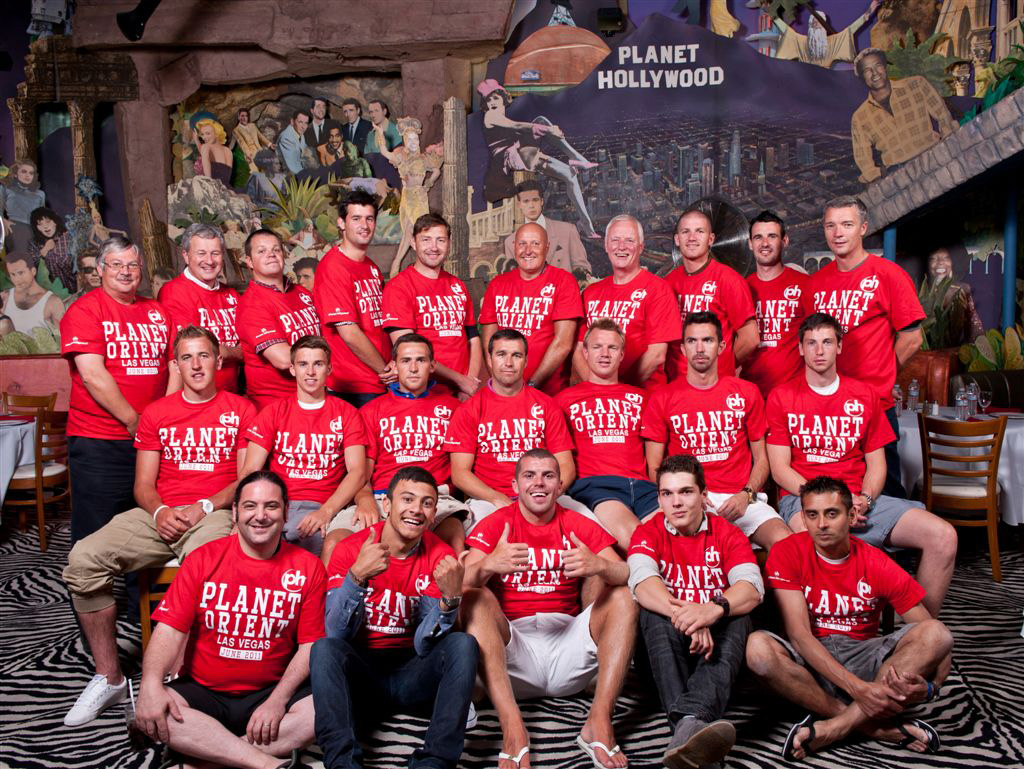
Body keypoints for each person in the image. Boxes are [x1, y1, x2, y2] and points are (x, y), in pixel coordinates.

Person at [62, 326, 255, 726]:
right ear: (176, 365)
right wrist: (160, 512)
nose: (196, 365)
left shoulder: (241, 409)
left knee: (206, 568)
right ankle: (110, 678)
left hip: (213, 511)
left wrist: (205, 506)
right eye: (187, 357)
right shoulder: (156, 413)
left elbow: (245, 480)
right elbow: (143, 485)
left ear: (219, 361)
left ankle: (182, 677)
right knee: (83, 559)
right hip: (161, 513)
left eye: (204, 356)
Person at [745, 476, 953, 760]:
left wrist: (929, 689)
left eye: (832, 514)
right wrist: (859, 690)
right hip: (809, 661)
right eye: (812, 515)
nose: (821, 524)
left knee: (937, 633)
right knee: (757, 649)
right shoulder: (787, 550)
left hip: (864, 659)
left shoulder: (876, 562)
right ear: (803, 518)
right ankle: (870, 726)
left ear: (852, 515)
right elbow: (799, 635)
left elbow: (935, 638)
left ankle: (835, 727)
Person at [766, 312, 957, 616]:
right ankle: (820, 631)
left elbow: (877, 465)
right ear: (800, 348)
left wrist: (864, 501)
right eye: (811, 343)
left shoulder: (865, 395)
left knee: (943, 535)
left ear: (839, 346)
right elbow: (779, 470)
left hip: (860, 501)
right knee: (809, 538)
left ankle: (922, 632)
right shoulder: (781, 396)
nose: (819, 350)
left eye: (827, 342)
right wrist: (833, 504)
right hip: (804, 500)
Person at [134, 471, 325, 769]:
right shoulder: (202, 559)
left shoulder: (308, 567)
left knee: (323, 710)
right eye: (250, 506)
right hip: (203, 689)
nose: (260, 516)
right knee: (160, 709)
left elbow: (309, 645)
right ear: (235, 512)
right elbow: (169, 630)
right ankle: (267, 764)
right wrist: (149, 684)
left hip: (270, 689)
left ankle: (208, 755)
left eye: (271, 506)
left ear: (286, 511)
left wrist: (277, 701)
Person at [461, 449, 637, 769]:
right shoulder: (496, 523)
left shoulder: (576, 522)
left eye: (548, 476)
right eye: (529, 475)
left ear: (559, 486)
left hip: (567, 644)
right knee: (474, 596)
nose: (539, 483)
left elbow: (627, 573)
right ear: (515, 485)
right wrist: (488, 564)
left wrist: (599, 565)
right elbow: (459, 583)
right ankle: (513, 729)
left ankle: (598, 722)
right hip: (514, 654)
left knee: (622, 595)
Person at [312, 466, 479, 769]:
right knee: (323, 649)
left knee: (463, 643)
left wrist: (450, 600)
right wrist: (356, 578)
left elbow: (424, 644)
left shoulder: (440, 556)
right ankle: (343, 764)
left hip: (412, 673)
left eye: (427, 503)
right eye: (407, 499)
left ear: (433, 513)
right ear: (387, 505)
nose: (416, 510)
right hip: (363, 674)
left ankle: (434, 763)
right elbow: (335, 634)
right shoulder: (351, 549)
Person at [628, 454, 763, 769]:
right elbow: (642, 584)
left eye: (686, 492)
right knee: (652, 612)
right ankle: (696, 721)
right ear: (659, 499)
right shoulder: (647, 532)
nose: (676, 502)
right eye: (667, 493)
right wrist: (692, 617)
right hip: (664, 657)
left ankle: (686, 726)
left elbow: (751, 587)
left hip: (715, 656)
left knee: (738, 615)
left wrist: (711, 611)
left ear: (704, 496)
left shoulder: (728, 533)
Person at [805, 196, 925, 498]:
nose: (838, 233)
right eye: (830, 226)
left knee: (886, 491)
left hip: (874, 404)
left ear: (863, 228)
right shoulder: (814, 284)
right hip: (827, 405)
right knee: (833, 490)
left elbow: (912, 338)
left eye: (847, 224)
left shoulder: (888, 274)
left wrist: (883, 376)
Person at [642, 312, 791, 550]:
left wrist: (746, 495)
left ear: (721, 347)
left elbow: (762, 460)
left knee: (786, 544)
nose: (700, 348)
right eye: (692, 341)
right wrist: (683, 499)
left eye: (708, 340)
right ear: (683, 349)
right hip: (690, 500)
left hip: (742, 499)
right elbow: (654, 467)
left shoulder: (746, 392)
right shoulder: (663, 397)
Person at [60, 235, 173, 542]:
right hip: (101, 440)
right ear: (100, 269)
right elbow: (92, 376)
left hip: (152, 440)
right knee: (97, 530)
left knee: (145, 526)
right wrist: (134, 421)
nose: (125, 271)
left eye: (132, 264)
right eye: (116, 264)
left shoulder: (158, 311)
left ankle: (140, 578)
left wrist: (165, 416)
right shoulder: (85, 310)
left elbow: (174, 365)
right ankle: (90, 576)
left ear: (141, 268)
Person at [321, 333, 469, 561]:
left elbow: (462, 467)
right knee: (334, 543)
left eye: (421, 360)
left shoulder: (454, 409)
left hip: (435, 499)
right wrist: (364, 498)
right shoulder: (372, 410)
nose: (413, 368)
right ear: (394, 366)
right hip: (382, 497)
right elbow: (361, 472)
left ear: (432, 366)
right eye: (406, 360)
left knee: (454, 542)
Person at [243, 336, 368, 557]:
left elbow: (358, 472)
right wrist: (247, 511)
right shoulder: (273, 412)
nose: (310, 372)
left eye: (318, 364)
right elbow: (250, 470)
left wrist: (326, 511)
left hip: (323, 503)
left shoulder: (347, 413)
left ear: (329, 369)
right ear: (292, 369)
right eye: (303, 364)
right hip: (278, 502)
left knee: (311, 551)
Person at [444, 329, 575, 523]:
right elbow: (460, 474)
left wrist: (545, 494)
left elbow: (566, 465)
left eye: (516, 355)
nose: (508, 362)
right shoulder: (469, 409)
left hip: (544, 495)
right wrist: (496, 498)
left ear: (526, 361)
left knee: (589, 526)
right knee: (482, 534)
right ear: (490, 359)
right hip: (490, 500)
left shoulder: (547, 405)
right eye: (501, 354)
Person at [556, 319, 657, 550]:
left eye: (612, 347)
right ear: (585, 352)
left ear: (622, 354)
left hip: (643, 488)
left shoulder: (643, 398)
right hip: (597, 486)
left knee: (675, 536)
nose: (604, 354)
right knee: (639, 541)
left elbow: (657, 455)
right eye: (597, 347)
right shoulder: (563, 400)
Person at [476, 79, 598, 238]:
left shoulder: (501, 118)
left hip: (522, 154)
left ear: (503, 98)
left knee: (570, 176)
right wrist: (550, 130)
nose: (492, 102)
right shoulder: (490, 116)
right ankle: (576, 158)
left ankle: (586, 224)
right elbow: (517, 126)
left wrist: (547, 129)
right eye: (488, 99)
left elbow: (520, 130)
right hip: (510, 159)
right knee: (541, 122)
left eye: (495, 98)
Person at [573, 215, 682, 391]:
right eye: (615, 240)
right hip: (597, 395)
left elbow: (657, 355)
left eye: (629, 240)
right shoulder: (591, 293)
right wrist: (598, 390)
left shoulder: (658, 290)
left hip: (643, 396)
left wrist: (619, 392)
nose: (621, 246)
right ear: (606, 245)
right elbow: (579, 350)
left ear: (641, 247)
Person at [382, 213, 481, 399]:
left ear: (448, 244)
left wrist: (470, 382)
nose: (434, 247)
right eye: (426, 239)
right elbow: (408, 350)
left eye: (440, 240)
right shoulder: (398, 287)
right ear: (413, 242)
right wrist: (460, 380)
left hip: (461, 392)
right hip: (423, 392)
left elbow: (473, 339)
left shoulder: (458, 286)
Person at [480, 222, 583, 396]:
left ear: (547, 247)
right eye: (522, 244)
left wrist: (531, 387)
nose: (528, 251)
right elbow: (488, 343)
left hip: (549, 391)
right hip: (505, 392)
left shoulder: (563, 281)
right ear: (514, 246)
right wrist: (502, 385)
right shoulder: (497, 284)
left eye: (535, 243)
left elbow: (563, 343)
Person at [313, 190, 392, 407]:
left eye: (369, 219)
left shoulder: (370, 267)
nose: (364, 225)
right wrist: (386, 372)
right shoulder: (333, 268)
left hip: (378, 379)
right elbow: (349, 334)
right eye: (356, 218)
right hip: (354, 385)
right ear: (341, 223)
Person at [664, 208, 758, 380]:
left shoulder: (728, 279)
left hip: (714, 383)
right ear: (677, 239)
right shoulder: (667, 283)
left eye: (699, 231)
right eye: (685, 232)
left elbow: (750, 337)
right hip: (676, 383)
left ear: (711, 239)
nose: (692, 238)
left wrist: (722, 367)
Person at [236, 229, 321, 410]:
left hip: (313, 397)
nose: (271, 254)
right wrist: (332, 356)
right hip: (278, 405)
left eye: (276, 249)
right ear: (249, 261)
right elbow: (283, 359)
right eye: (262, 251)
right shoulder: (251, 304)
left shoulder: (301, 292)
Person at [158, 223, 243, 393]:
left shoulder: (232, 295)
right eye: (201, 253)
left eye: (215, 253)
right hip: (196, 397)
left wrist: (229, 351)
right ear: (186, 256)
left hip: (231, 395)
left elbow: (250, 347)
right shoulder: (174, 292)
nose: (209, 261)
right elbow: (192, 351)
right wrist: (235, 352)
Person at [850, 48, 956, 183]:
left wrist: (945, 147)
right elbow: (863, 160)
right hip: (898, 175)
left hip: (933, 158)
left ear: (885, 67)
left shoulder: (916, 84)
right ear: (861, 77)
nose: (875, 73)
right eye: (867, 70)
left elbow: (943, 116)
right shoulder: (859, 118)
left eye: (878, 65)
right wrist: (879, 175)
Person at [743, 210, 807, 398]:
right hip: (752, 395)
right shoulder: (741, 288)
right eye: (758, 237)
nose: (764, 243)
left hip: (795, 394)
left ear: (784, 241)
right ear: (750, 243)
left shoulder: (806, 285)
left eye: (772, 236)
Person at [376, 117, 443, 277]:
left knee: (421, 231)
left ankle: (424, 265)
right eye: (410, 140)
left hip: (419, 197)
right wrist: (380, 133)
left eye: (416, 139)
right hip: (407, 197)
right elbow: (384, 152)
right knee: (408, 231)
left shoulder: (423, 159)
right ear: (405, 141)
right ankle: (397, 263)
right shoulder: (401, 158)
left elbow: (436, 170)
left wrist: (428, 184)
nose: (414, 143)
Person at [501, 181, 592, 279]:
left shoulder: (567, 231)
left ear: (542, 201)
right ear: (519, 205)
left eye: (535, 200)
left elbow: (582, 269)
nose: (531, 205)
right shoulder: (510, 242)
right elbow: (513, 280)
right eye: (526, 201)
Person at [757, 0, 881, 68]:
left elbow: (852, 29)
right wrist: (771, 13)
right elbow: (786, 30)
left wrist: (869, 12)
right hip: (805, 81)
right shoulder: (802, 42)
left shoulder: (832, 43)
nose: (816, 25)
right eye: (813, 23)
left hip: (825, 83)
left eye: (818, 23)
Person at [922, 246, 984, 343]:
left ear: (952, 263)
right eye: (933, 259)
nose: (940, 262)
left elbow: (975, 329)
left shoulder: (962, 289)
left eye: (946, 258)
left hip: (954, 349)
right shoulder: (921, 293)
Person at [1, 252, 64, 333]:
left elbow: (65, 336)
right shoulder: (4, 297)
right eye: (13, 274)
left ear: (33, 271)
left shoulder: (53, 302)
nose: (17, 279)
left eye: (21, 273)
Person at [28, 206, 75, 292]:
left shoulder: (68, 237)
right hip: (49, 292)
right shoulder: (34, 244)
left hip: (73, 287)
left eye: (48, 222)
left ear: (55, 222)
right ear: (36, 227)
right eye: (40, 224)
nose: (45, 226)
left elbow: (75, 265)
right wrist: (45, 250)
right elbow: (32, 268)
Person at [232, 107, 275, 173]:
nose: (244, 118)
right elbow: (242, 143)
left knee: (266, 170)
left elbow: (260, 136)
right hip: (250, 154)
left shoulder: (252, 125)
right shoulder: (236, 130)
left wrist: (270, 144)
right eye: (242, 116)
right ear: (238, 117)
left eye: (246, 116)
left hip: (260, 150)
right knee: (255, 172)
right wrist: (248, 154)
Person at [194, 118, 234, 185]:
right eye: (202, 134)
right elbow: (227, 179)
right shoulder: (228, 151)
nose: (204, 137)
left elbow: (208, 179)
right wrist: (196, 140)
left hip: (210, 187)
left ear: (216, 133)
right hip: (224, 187)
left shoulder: (205, 147)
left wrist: (210, 186)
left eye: (208, 133)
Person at [278, 109, 311, 175]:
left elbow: (304, 155)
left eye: (306, 123)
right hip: (286, 175)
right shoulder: (286, 138)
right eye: (300, 122)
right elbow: (293, 167)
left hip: (299, 171)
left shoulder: (299, 133)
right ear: (292, 122)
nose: (303, 126)